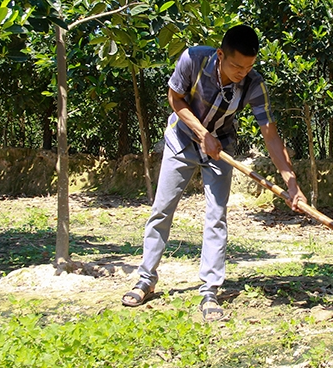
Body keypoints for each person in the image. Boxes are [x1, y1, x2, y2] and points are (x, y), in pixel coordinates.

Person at [122, 24, 307, 321]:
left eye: (248, 66)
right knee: (162, 209)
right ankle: (146, 279)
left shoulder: (253, 84)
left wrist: (291, 182)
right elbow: (175, 98)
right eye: (236, 65)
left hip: (221, 148)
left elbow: (270, 135)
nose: (241, 72)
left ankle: (210, 289)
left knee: (216, 215)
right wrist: (200, 132)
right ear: (220, 55)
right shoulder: (193, 59)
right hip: (181, 140)